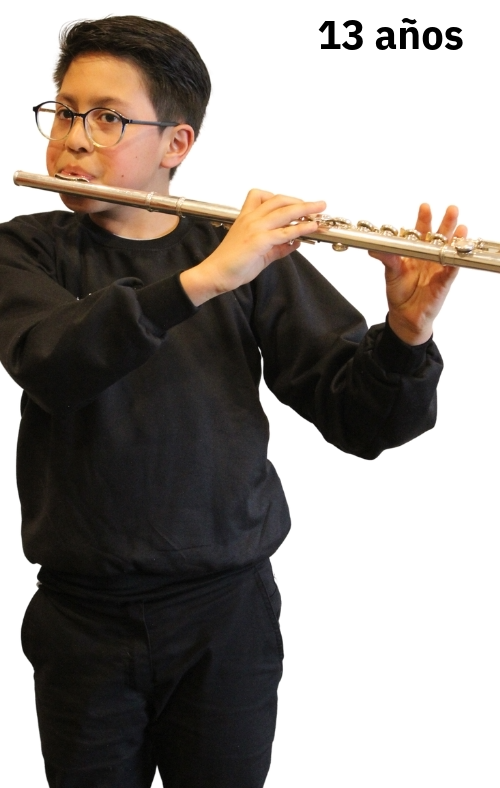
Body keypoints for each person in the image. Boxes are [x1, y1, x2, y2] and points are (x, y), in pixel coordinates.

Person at [0, 14, 466, 788]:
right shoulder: (25, 249)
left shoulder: (245, 257)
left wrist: (406, 336)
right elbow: (51, 358)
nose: (75, 138)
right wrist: (205, 279)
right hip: (82, 620)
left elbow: (362, 421)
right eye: (66, 112)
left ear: (175, 144)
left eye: (107, 118)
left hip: (227, 617)